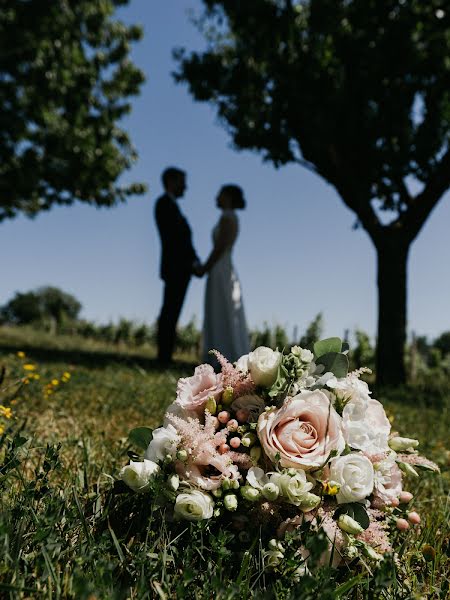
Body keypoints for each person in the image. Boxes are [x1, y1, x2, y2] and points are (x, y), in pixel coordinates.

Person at [154, 167, 201, 364]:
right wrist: (192, 262)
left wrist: (195, 259)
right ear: (171, 181)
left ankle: (166, 354)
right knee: (170, 312)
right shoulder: (164, 204)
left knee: (172, 311)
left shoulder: (172, 206)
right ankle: (164, 356)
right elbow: (176, 239)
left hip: (180, 268)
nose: (186, 187)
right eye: (182, 182)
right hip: (176, 267)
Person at [201, 184, 250, 363]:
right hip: (223, 268)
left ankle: (224, 357)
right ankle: (223, 355)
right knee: (222, 310)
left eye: (220, 193)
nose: (217, 197)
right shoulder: (229, 217)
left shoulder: (227, 217)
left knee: (222, 310)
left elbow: (220, 247)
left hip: (221, 269)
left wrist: (204, 267)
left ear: (228, 196)